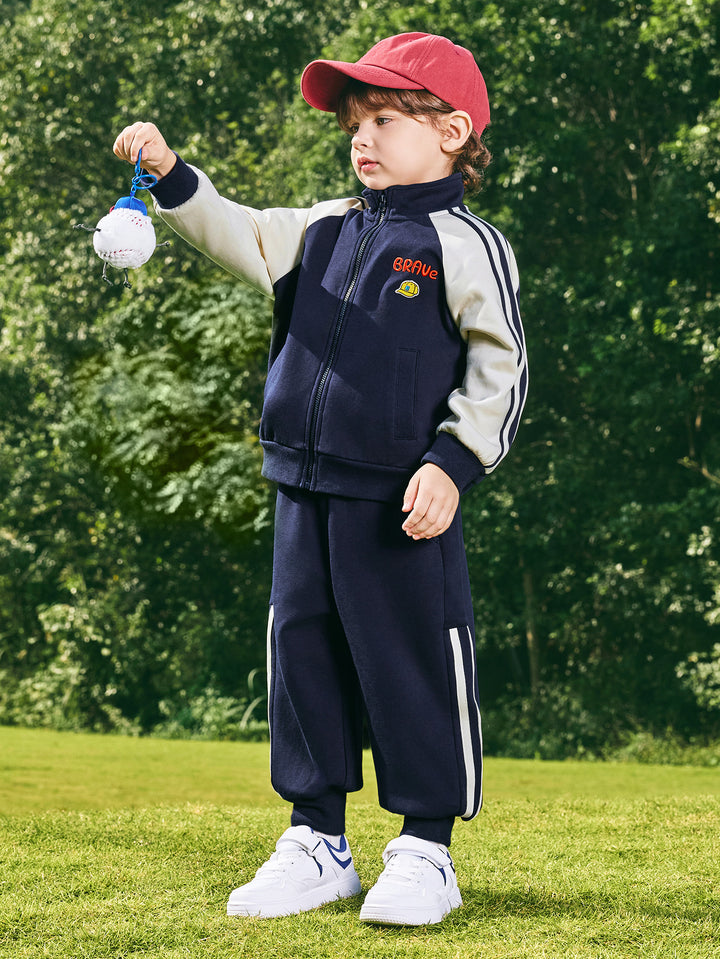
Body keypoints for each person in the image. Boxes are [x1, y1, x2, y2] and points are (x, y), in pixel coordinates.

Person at [113, 31, 527, 926]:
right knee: (303, 653)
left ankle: (425, 848)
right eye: (353, 124)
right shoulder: (323, 226)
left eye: (383, 119)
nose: (361, 138)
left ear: (453, 130)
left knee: (412, 661)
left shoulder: (466, 245)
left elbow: (502, 368)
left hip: (403, 502)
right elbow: (238, 231)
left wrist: (454, 463)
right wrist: (172, 173)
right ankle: (317, 841)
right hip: (302, 486)